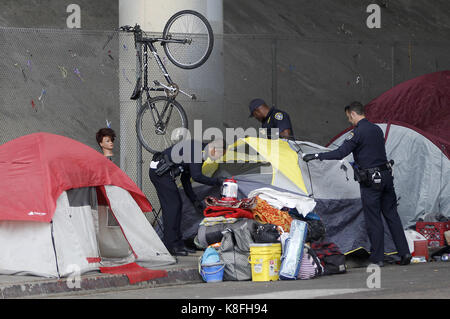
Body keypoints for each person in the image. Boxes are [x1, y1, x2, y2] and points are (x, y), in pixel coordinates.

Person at [303, 101, 411, 267]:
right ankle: (404, 254)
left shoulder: (357, 132)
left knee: (374, 219)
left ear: (353, 114)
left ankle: (378, 258)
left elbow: (340, 153)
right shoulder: (377, 129)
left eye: (348, 117)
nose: (349, 121)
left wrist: (316, 156)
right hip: (386, 177)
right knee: (392, 216)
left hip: (371, 182)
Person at [149, 138, 228, 257]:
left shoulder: (200, 153)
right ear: (213, 147)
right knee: (172, 207)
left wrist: (194, 201)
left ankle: (179, 244)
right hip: (159, 173)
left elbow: (185, 179)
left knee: (177, 206)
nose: (217, 158)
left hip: (165, 174)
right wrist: (217, 181)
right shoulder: (196, 150)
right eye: (219, 154)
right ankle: (171, 245)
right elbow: (197, 176)